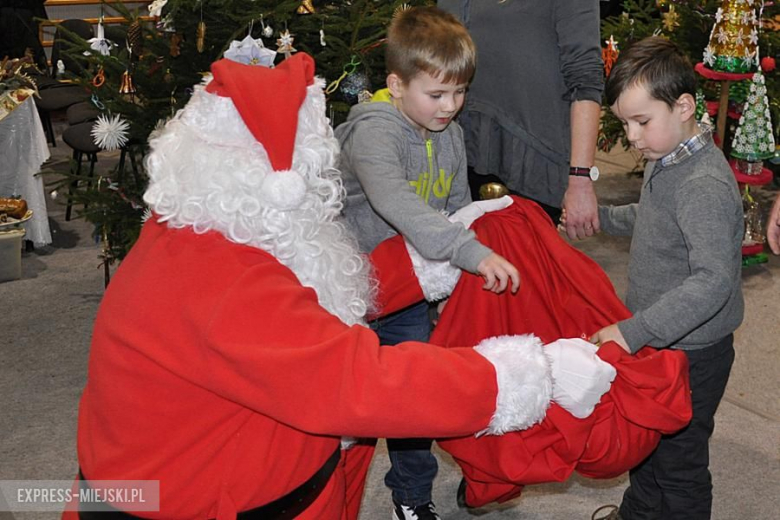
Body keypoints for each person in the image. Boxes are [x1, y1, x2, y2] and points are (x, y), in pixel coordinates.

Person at [66, 53, 614, 520]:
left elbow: (319, 287)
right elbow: (358, 381)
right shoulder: (219, 276)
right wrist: (520, 375)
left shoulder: (224, 229)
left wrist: (439, 252)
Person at [335, 7, 519, 519]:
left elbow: (455, 209)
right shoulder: (375, 132)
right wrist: (471, 253)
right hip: (353, 293)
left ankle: (412, 500)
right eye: (436, 94)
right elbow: (399, 203)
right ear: (396, 84)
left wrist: (462, 268)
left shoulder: (449, 134)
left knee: (412, 401)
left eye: (460, 92)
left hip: (411, 293)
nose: (451, 106)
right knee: (350, 411)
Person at [586, 37, 744, 520]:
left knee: (679, 461)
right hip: (661, 338)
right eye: (625, 123)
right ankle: (639, 512)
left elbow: (713, 281)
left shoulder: (704, 185)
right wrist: (607, 218)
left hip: (693, 353)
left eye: (641, 122)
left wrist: (634, 332)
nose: (632, 137)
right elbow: (656, 218)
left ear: (683, 107)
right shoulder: (667, 159)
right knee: (647, 439)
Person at [439, 0, 604, 240]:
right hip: (458, 154)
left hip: (532, 163)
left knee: (525, 269)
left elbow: (585, 80)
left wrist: (580, 180)